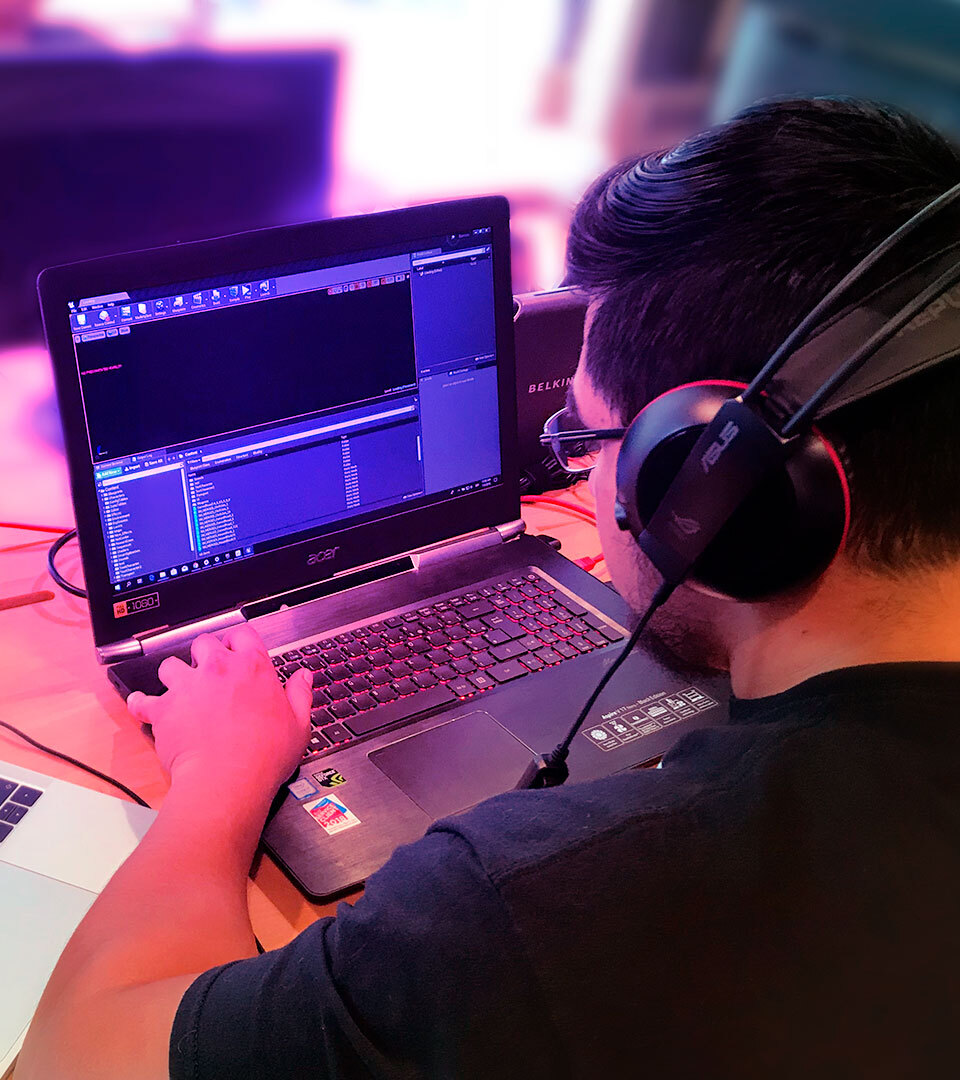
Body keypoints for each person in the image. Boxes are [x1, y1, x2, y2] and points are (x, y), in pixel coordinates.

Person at [16, 97, 960, 1079]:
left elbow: (74, 1057)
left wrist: (219, 778)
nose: (584, 483)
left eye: (585, 440)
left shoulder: (528, 907)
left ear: (703, 486)